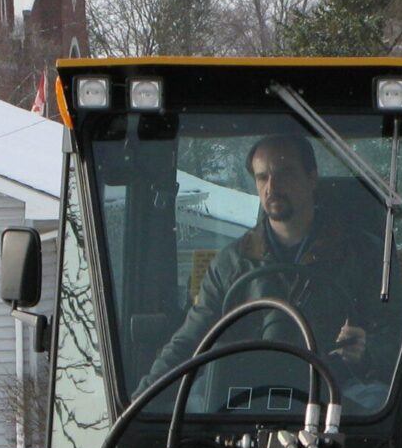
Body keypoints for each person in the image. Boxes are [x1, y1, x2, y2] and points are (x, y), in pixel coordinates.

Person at [146, 133, 388, 393]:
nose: (271, 187)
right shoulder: (230, 264)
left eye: (284, 174)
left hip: (337, 394)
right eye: (262, 177)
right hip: (247, 397)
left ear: (311, 178)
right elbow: (192, 341)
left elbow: (399, 337)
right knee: (197, 400)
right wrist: (141, 401)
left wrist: (366, 350)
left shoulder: (365, 255)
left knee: (375, 398)